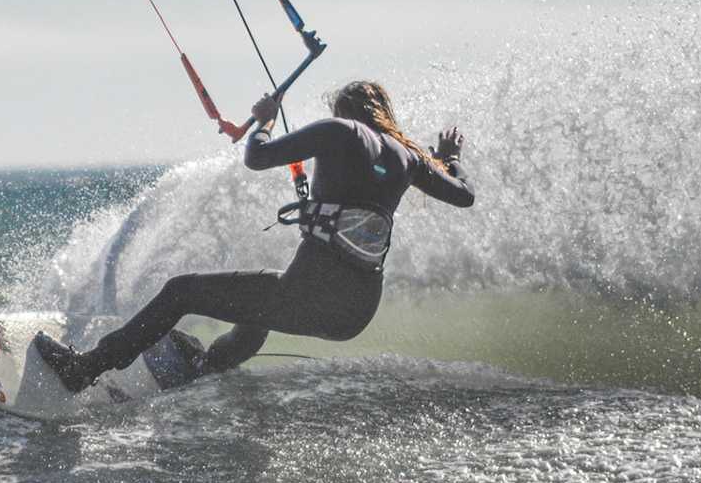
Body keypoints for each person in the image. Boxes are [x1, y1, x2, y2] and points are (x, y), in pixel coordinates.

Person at [33, 79, 474, 391]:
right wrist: (449, 160)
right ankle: (209, 368)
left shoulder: (340, 131)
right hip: (355, 314)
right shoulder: (411, 159)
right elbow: (464, 195)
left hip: (309, 295)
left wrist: (264, 120)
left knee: (181, 292)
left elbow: (257, 157)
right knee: (262, 306)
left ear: (344, 112)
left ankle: (84, 368)